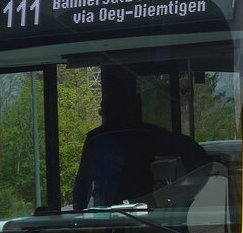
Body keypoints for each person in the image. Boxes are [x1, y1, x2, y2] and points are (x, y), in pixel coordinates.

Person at [72, 68, 210, 210]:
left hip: (107, 209)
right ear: (133, 110)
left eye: (103, 112)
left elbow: (83, 182)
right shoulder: (145, 133)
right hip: (142, 207)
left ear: (106, 113)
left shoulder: (96, 138)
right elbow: (192, 149)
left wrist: (77, 215)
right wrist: (190, 189)